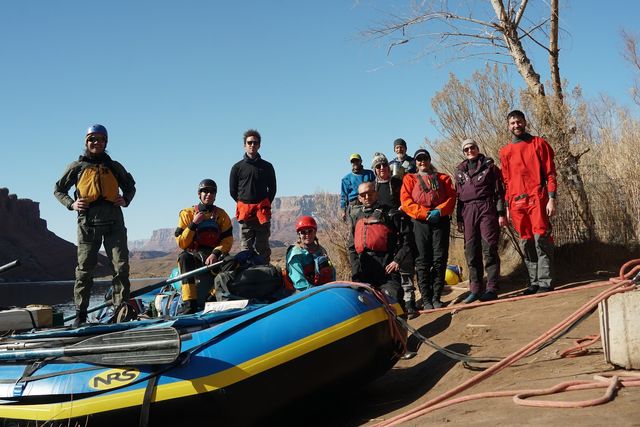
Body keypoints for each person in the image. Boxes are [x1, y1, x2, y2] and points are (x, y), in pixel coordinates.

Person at [54, 124, 136, 327]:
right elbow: (58, 190)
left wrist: (126, 199)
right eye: (92, 139)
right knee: (84, 271)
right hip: (88, 224)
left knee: (121, 267)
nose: (96, 143)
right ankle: (80, 316)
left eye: (100, 139)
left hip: (114, 223)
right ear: (86, 142)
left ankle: (121, 311)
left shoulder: (114, 166)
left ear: (105, 142)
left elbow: (130, 186)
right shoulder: (77, 167)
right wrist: (71, 204)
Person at [499, 110, 557, 294]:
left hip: (537, 199)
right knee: (526, 243)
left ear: (524, 122)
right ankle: (534, 282)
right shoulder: (505, 151)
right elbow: (506, 182)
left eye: (518, 121)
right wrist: (507, 207)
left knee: (541, 240)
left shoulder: (538, 143)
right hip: (516, 203)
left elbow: (550, 174)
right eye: (512, 123)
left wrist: (552, 199)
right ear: (508, 126)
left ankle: (545, 282)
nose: (516, 125)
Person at [400, 148, 456, 309]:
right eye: (419, 159)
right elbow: (406, 201)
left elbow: (452, 197)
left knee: (439, 258)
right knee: (422, 261)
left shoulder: (443, 178)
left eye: (425, 158)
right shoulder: (409, 179)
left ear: (430, 160)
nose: (422, 162)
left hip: (440, 221)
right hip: (420, 223)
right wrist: (424, 214)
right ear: (415, 162)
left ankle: (436, 297)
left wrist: (440, 210)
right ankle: (426, 299)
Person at [455, 139, 506, 303]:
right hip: (468, 210)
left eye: (472, 147)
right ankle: (475, 289)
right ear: (464, 152)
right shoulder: (459, 171)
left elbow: (499, 192)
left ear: (477, 148)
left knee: (489, 248)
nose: (470, 151)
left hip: (486, 207)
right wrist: (459, 218)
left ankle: (492, 288)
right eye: (466, 149)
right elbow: (459, 198)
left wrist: (501, 213)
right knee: (471, 251)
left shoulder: (489, 167)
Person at [348, 182, 411, 309]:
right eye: (363, 195)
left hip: (387, 271)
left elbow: (407, 239)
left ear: (376, 194)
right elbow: (352, 248)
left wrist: (397, 260)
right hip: (364, 274)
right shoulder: (356, 217)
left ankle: (399, 327)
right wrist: (356, 276)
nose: (367, 197)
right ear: (359, 198)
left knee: (394, 300)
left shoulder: (390, 214)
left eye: (370, 193)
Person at [371, 152, 419, 318]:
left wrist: (402, 210)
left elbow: (408, 198)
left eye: (384, 165)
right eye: (378, 166)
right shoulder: (373, 187)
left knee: (405, 264)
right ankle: (395, 304)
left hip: (401, 224)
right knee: (391, 271)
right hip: (384, 231)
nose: (382, 168)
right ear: (375, 170)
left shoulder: (397, 182)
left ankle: (410, 302)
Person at [175, 179, 233, 313]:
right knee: (184, 257)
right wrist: (193, 224)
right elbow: (181, 243)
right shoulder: (187, 214)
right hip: (194, 255)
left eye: (212, 192)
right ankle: (190, 303)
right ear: (199, 194)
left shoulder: (222, 215)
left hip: (214, 255)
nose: (209, 194)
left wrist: (215, 253)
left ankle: (212, 296)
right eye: (205, 191)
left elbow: (227, 240)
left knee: (232, 262)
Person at [229, 129, 277, 263]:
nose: (252, 145)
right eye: (249, 142)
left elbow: (272, 189)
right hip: (245, 214)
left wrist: (263, 203)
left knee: (263, 247)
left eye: (255, 143)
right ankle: (247, 275)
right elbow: (233, 191)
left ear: (259, 145)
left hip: (262, 213)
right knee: (246, 247)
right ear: (244, 145)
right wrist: (244, 203)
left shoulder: (267, 166)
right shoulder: (237, 168)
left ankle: (265, 274)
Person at [285, 216, 336, 292]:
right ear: (299, 234)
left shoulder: (321, 250)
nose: (307, 235)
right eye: (303, 232)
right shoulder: (295, 254)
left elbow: (332, 272)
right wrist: (317, 292)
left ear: (315, 232)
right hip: (302, 293)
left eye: (310, 231)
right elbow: (300, 283)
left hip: (321, 289)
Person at [340, 153, 375, 222]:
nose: (355, 163)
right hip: (355, 205)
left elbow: (375, 187)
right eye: (353, 161)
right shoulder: (346, 179)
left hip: (369, 202)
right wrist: (343, 210)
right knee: (355, 228)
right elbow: (344, 196)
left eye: (357, 161)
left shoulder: (369, 174)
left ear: (361, 161)